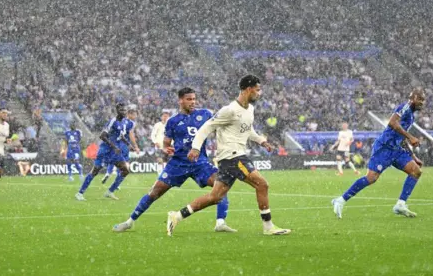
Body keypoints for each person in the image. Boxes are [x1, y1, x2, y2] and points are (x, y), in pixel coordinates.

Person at [166, 75, 291, 236]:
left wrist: (261, 141)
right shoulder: (229, 110)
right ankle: (268, 227)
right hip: (233, 157)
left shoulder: (250, 109)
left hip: (229, 160)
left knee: (215, 197)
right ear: (248, 89)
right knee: (262, 185)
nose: (260, 93)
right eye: (258, 90)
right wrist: (196, 147)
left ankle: (177, 215)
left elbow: (248, 129)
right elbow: (206, 127)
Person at [113, 87, 236, 233]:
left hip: (200, 162)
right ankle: (129, 222)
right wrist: (166, 148)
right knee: (154, 192)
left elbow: (220, 127)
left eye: (194, 99)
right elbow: (166, 143)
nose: (193, 102)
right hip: (178, 163)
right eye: (189, 99)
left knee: (221, 186)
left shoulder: (205, 114)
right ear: (180, 101)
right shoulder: (172, 121)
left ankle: (220, 223)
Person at [332, 89, 426, 219]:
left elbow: (401, 136)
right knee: (371, 178)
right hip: (384, 147)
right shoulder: (404, 108)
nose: (422, 102)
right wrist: (411, 137)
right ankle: (341, 200)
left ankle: (400, 204)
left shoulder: (411, 116)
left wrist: (413, 156)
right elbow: (392, 123)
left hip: (396, 149)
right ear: (412, 99)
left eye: (423, 100)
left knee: (416, 171)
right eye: (420, 99)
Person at [75, 103, 131, 201]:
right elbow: (102, 136)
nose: (124, 112)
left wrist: (128, 143)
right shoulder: (112, 122)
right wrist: (114, 146)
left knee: (125, 170)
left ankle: (109, 192)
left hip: (115, 152)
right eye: (122, 110)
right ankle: (80, 193)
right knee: (95, 171)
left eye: (125, 110)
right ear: (117, 110)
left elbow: (120, 136)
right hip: (105, 151)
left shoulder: (123, 122)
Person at [102, 109, 140, 185]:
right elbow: (131, 135)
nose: (136, 116)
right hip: (125, 145)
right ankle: (117, 182)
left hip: (117, 143)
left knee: (114, 159)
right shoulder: (131, 123)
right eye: (135, 115)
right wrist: (135, 146)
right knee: (124, 163)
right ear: (129, 114)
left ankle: (108, 173)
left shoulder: (120, 120)